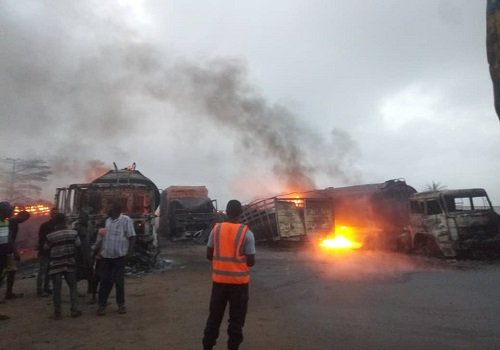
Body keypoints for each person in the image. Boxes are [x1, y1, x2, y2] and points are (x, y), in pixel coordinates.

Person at [202, 200, 256, 350]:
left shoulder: (216, 230)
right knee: (236, 322)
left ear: (226, 212)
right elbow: (251, 262)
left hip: (219, 283)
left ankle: (207, 347)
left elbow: (209, 255)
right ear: (241, 213)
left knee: (214, 319)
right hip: (239, 285)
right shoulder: (247, 233)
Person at [96, 202, 136, 316]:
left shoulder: (126, 220)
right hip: (106, 256)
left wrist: (130, 251)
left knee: (118, 282)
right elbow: (102, 237)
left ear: (117, 210)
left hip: (119, 257)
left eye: (110, 208)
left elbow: (132, 236)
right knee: (104, 281)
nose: (108, 210)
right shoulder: (107, 221)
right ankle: (101, 306)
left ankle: (121, 305)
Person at [45, 213, 82, 320]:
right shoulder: (73, 233)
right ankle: (75, 310)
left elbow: (46, 248)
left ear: (55, 222)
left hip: (55, 264)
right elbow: (78, 246)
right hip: (70, 263)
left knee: (57, 289)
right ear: (65, 221)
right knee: (73, 287)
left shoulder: (50, 236)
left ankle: (58, 313)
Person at [4, 209, 30, 300]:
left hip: (5, 249)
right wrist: (15, 252)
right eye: (24, 218)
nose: (24, 221)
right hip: (7, 251)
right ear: (20, 215)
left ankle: (9, 293)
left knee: (10, 271)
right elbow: (9, 238)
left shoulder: (9, 221)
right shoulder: (13, 222)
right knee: (11, 271)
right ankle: (8, 293)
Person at [36, 208, 57, 297]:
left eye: (57, 213)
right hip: (45, 252)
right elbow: (41, 239)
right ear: (51, 214)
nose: (55, 215)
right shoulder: (46, 225)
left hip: (52, 251)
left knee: (49, 271)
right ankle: (40, 290)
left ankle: (46, 288)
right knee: (43, 271)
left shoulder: (55, 226)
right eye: (54, 213)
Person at [0, 201, 14, 320]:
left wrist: (10, 250)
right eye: (9, 210)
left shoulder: (6, 221)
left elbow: (7, 238)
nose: (11, 212)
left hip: (3, 254)